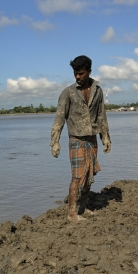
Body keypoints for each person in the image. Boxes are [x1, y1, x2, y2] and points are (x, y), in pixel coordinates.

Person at [50, 55, 111, 222]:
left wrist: (105, 137)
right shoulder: (68, 93)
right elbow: (59, 118)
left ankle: (82, 208)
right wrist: (55, 143)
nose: (77, 77)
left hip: (92, 139)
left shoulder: (98, 91)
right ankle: (71, 213)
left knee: (89, 176)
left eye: (81, 73)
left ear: (89, 72)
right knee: (77, 177)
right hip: (76, 139)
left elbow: (101, 115)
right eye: (75, 73)